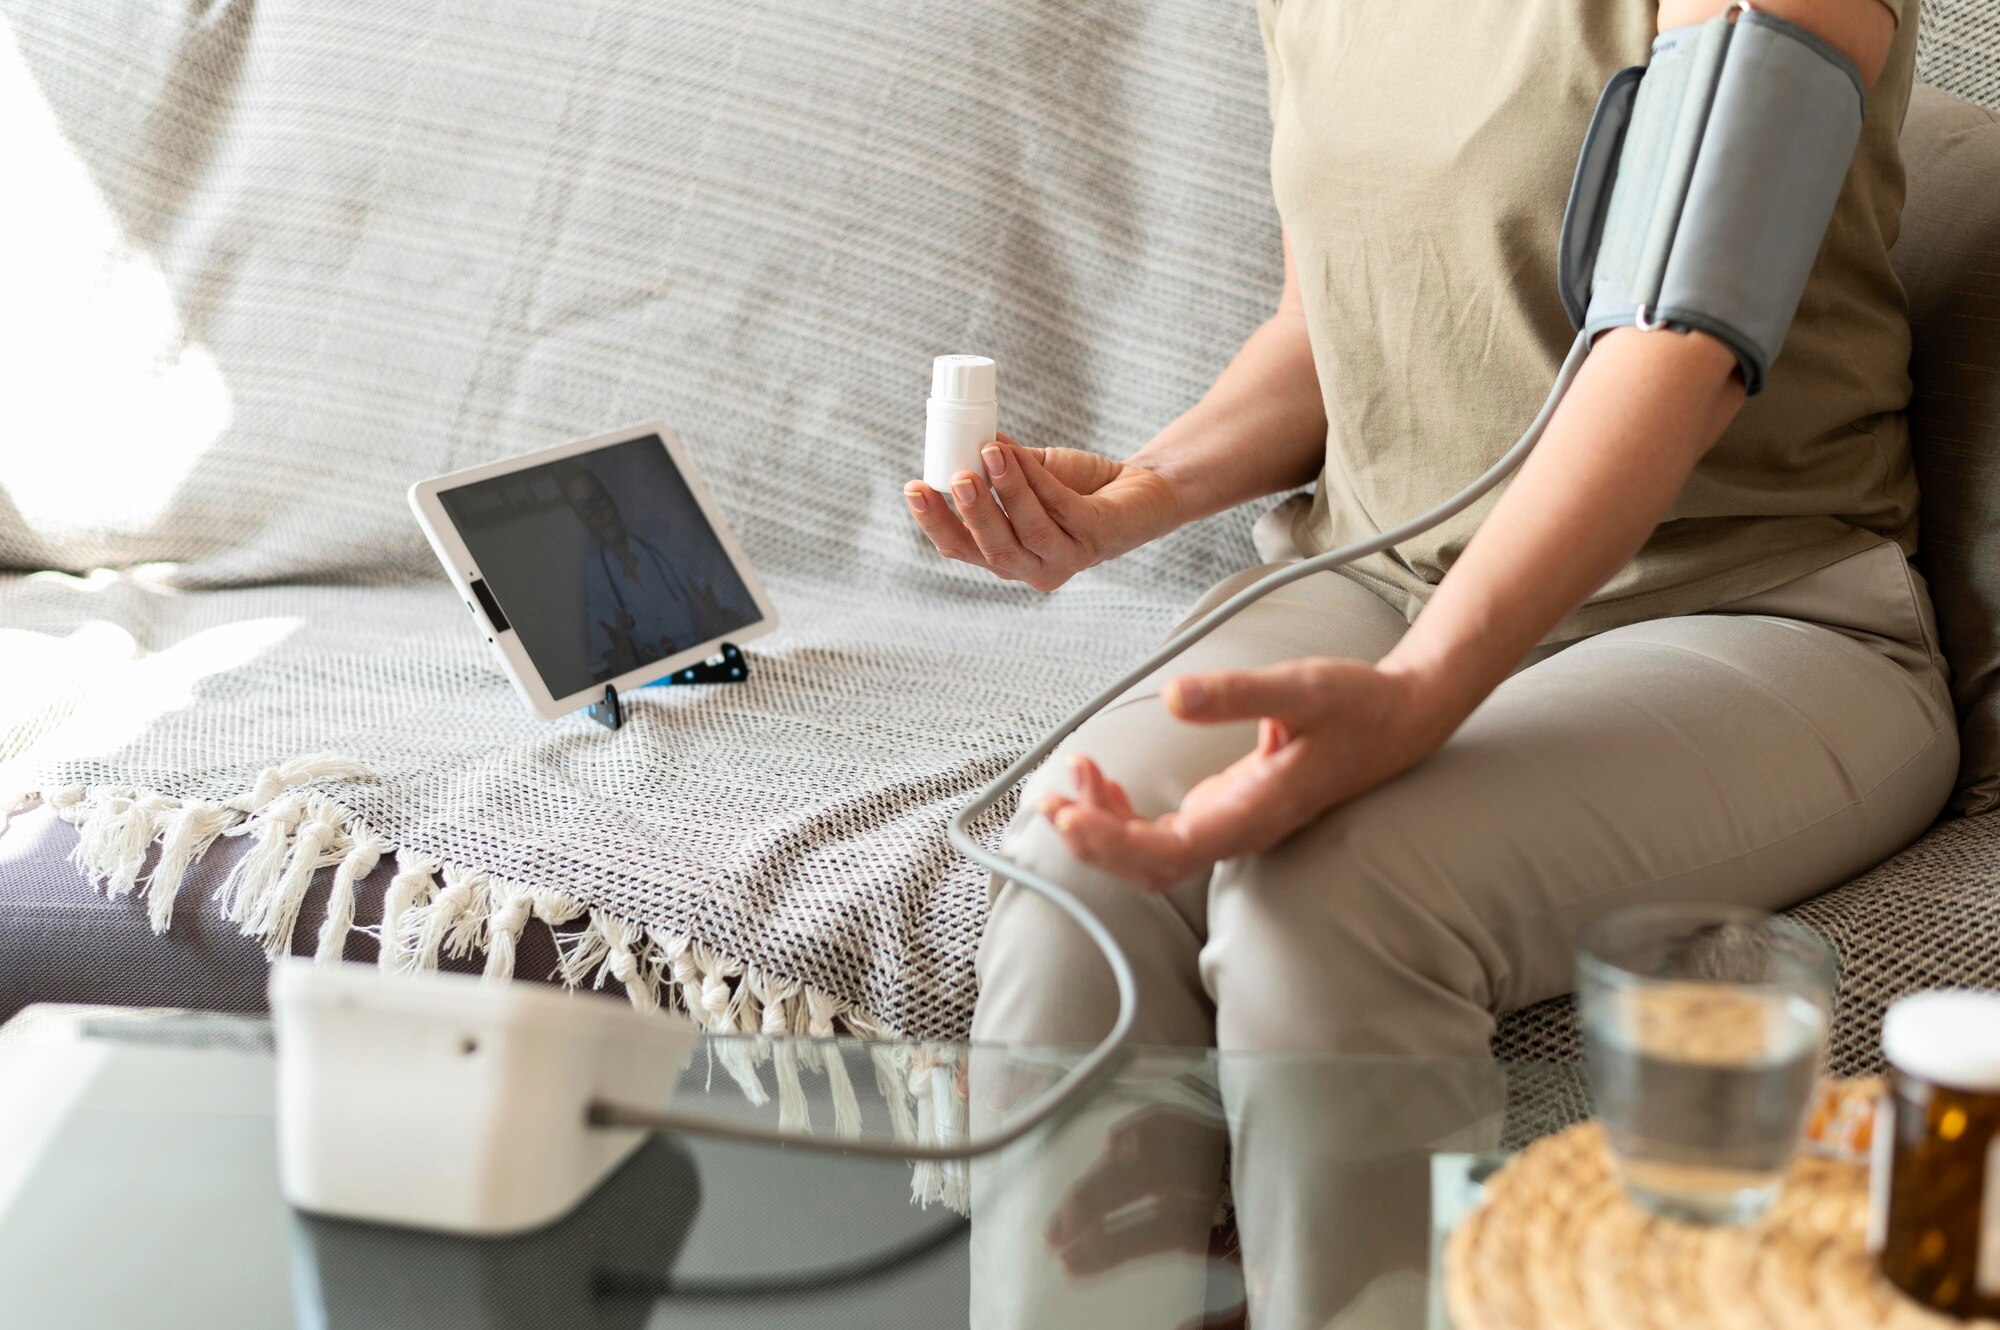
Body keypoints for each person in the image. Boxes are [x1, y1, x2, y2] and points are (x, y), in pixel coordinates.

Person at [906, 0, 1954, 1067]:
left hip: (1745, 609)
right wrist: (1140, 492)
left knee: (1332, 896)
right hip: (1381, 576)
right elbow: (1318, 331)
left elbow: (1676, 346)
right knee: (1078, 856)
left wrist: (1425, 686)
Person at [561, 462, 705, 679]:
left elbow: (721, 605)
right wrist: (625, 662)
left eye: (598, 499)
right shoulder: (592, 577)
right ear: (581, 520)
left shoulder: (664, 541)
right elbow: (601, 669)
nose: (598, 513)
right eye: (585, 508)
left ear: (610, 498)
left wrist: (713, 620)